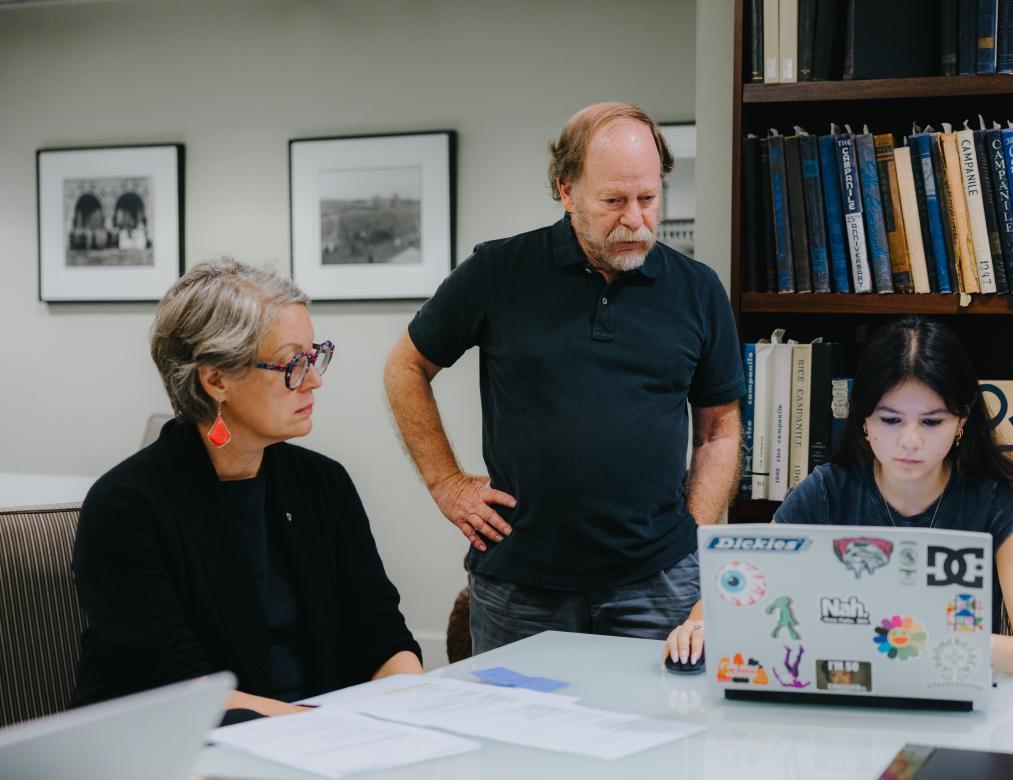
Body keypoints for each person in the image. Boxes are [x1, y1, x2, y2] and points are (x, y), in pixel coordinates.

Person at [384, 102, 744, 653]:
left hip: (657, 585)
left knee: (657, 734)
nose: (635, 219)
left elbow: (719, 430)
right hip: (520, 584)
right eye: (613, 201)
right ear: (567, 190)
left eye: (648, 199)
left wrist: (692, 536)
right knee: (517, 736)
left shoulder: (697, 289)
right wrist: (446, 483)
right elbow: (406, 366)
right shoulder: (497, 272)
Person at [72, 259, 423, 723]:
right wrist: (324, 729)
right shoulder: (126, 507)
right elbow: (181, 691)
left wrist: (415, 703)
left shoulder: (323, 484)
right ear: (216, 379)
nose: (314, 379)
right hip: (181, 748)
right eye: (294, 362)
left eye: (314, 355)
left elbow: (378, 631)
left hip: (319, 734)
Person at [665, 316, 1013, 675]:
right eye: (890, 420)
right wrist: (698, 627)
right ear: (864, 421)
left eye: (932, 422)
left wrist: (922, 640)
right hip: (844, 698)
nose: (910, 442)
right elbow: (743, 586)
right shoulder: (826, 492)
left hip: (953, 692)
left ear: (961, 421)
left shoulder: (998, 501)